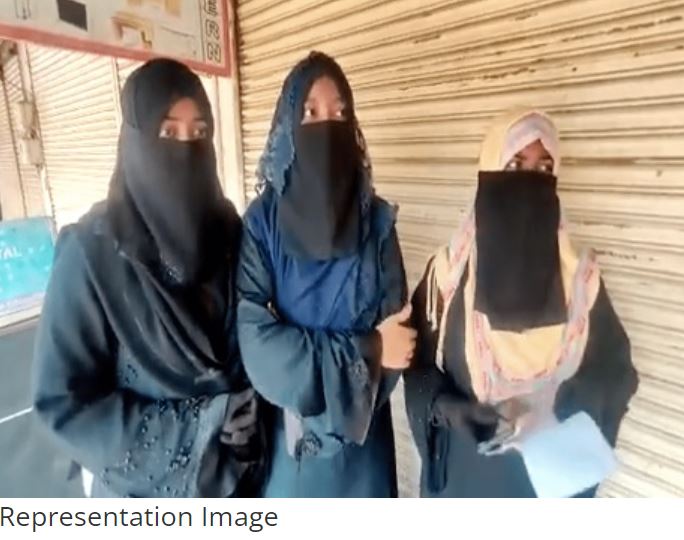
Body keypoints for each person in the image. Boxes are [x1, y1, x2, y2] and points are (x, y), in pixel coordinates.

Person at [32, 58, 262, 498]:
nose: (187, 149)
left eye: (199, 133)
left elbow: (254, 344)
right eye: (168, 132)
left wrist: (252, 420)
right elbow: (63, 404)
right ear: (135, 143)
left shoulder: (230, 234)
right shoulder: (94, 254)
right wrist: (203, 425)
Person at [404, 108, 639, 498]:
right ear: (488, 171)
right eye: (514, 165)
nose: (529, 181)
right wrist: (446, 407)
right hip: (463, 478)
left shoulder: (580, 282)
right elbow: (416, 365)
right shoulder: (446, 276)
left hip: (545, 485)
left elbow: (615, 373)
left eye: (544, 169)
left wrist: (556, 409)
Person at [236, 51, 415, 497]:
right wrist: (369, 351)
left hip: (365, 444)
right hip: (293, 444)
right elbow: (257, 344)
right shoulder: (263, 224)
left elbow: (398, 340)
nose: (327, 124)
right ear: (288, 126)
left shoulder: (376, 221)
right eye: (311, 112)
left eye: (339, 112)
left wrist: (373, 362)